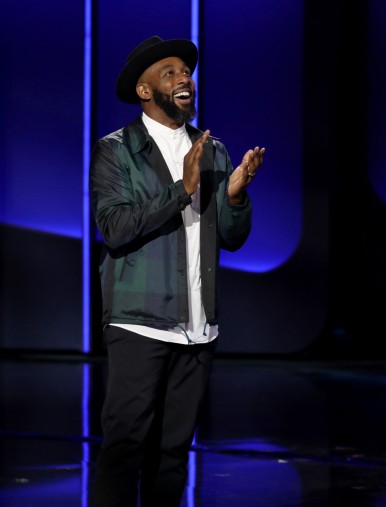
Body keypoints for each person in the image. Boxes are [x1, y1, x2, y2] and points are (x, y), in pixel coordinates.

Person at [89, 35, 265, 506]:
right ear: (145, 91)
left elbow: (231, 237)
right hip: (139, 322)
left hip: (198, 327)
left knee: (172, 453)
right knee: (125, 446)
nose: (183, 77)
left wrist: (235, 195)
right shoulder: (116, 150)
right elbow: (114, 228)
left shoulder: (214, 150)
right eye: (169, 71)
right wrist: (180, 189)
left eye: (185, 70)